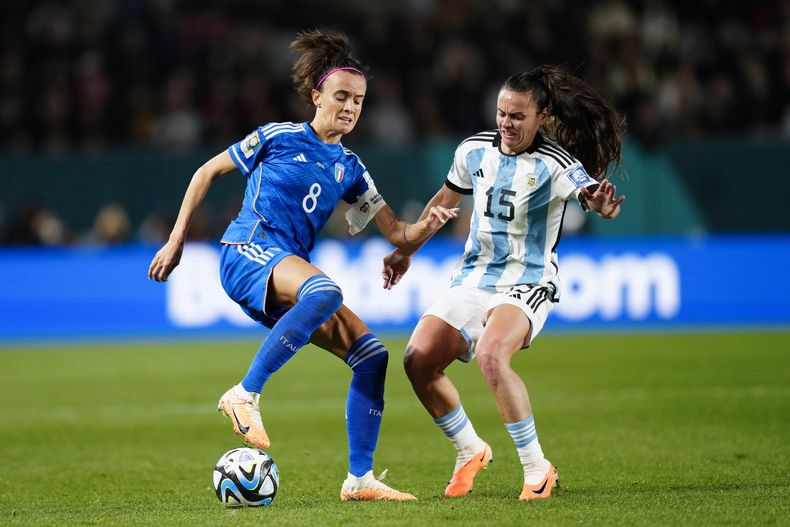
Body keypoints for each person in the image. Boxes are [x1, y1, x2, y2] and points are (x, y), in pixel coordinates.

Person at [147, 30, 458, 501]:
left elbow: (398, 234)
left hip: (286, 270)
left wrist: (429, 225)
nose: (351, 107)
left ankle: (360, 480)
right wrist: (177, 240)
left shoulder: (351, 168)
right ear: (317, 96)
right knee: (326, 291)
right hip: (247, 250)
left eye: (358, 100)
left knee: (372, 358)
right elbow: (205, 171)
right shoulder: (277, 136)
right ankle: (245, 394)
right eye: (342, 97)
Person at [381, 65, 625, 500]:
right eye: (501, 113)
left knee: (493, 355)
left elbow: (588, 193)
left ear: (542, 117)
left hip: (528, 281)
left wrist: (602, 206)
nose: (506, 124)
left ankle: (537, 469)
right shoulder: (473, 150)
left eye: (517, 116)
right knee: (417, 359)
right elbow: (444, 200)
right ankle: (469, 449)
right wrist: (406, 250)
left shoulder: (557, 163)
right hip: (474, 275)